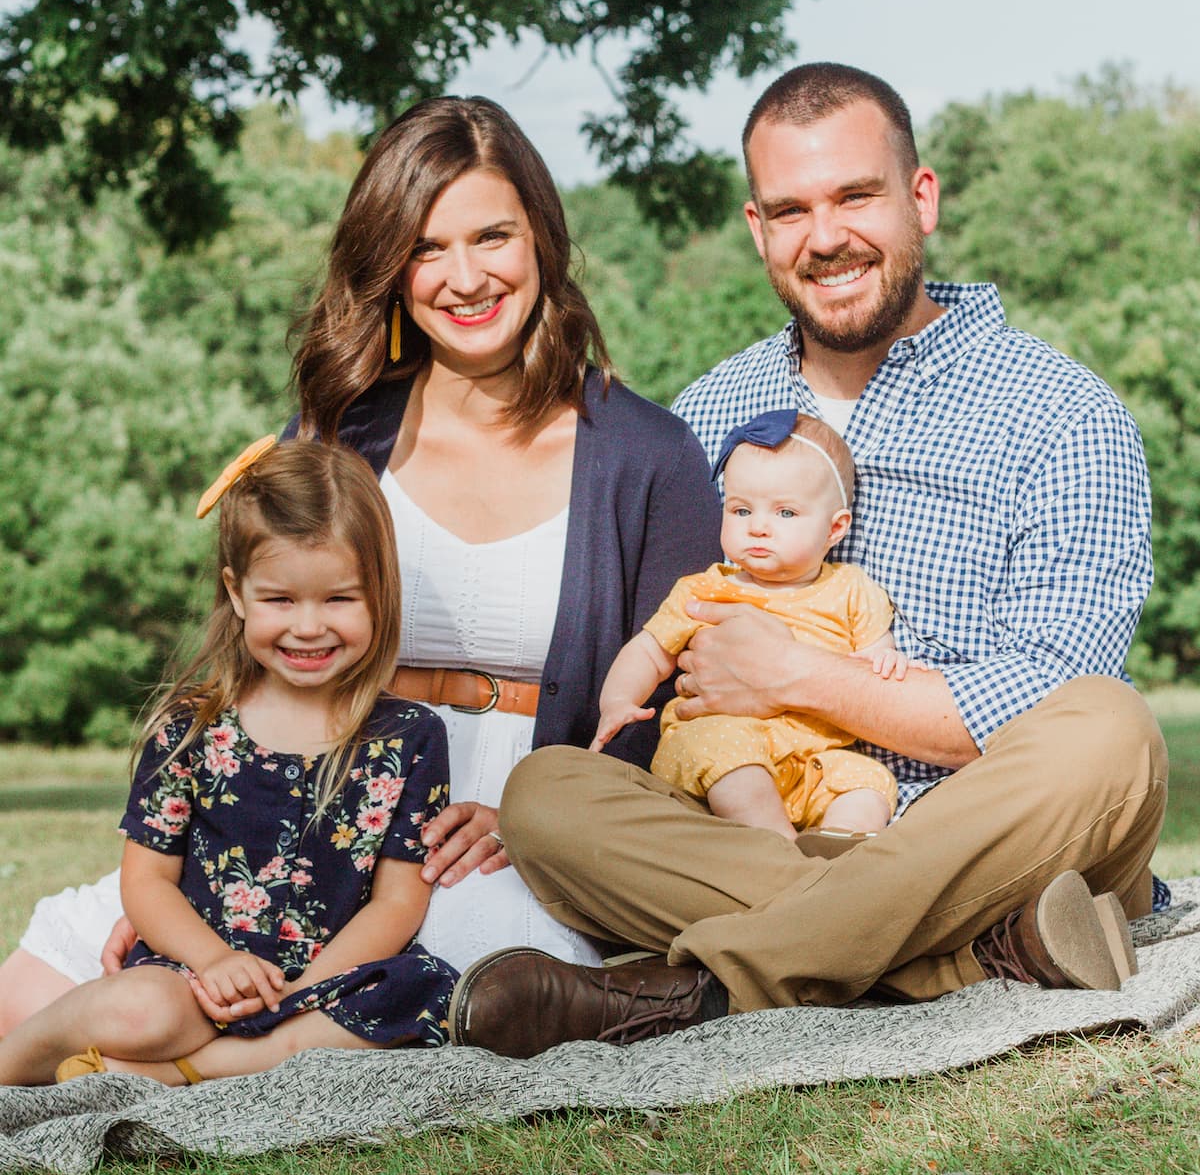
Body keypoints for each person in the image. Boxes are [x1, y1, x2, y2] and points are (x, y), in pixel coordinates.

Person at [446, 62, 1166, 1059]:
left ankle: (699, 991)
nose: (825, 237)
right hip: (757, 832)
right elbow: (651, 659)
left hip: (993, 832)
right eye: (791, 210)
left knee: (1111, 727)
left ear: (922, 199)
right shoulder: (701, 417)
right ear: (757, 228)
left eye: (855, 196)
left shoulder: (1061, 416)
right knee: (547, 796)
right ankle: (966, 953)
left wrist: (803, 678)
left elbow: (1046, 689)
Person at [0, 95, 722, 1034]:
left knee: (447, 971)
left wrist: (538, 818)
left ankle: (170, 1061)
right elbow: (258, 646)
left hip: (508, 843)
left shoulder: (646, 453)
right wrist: (179, 914)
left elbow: (678, 705)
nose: (464, 277)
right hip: (299, 800)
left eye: (492, 236)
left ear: (541, 237)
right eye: (426, 248)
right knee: (59, 955)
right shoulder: (341, 430)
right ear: (390, 265)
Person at [0, 440, 459, 1084]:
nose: (308, 627)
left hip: (331, 981)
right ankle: (11, 1066)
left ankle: (168, 1075)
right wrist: (215, 962)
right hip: (198, 979)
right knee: (140, 1009)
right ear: (237, 593)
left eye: (339, 600)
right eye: (280, 600)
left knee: (425, 1002)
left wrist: (301, 989)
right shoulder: (192, 728)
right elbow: (147, 882)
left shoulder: (410, 736)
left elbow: (396, 903)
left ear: (380, 594)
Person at [592, 410, 901, 840]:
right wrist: (619, 699)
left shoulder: (851, 589)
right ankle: (777, 848)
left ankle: (836, 847)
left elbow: (873, 658)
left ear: (835, 528)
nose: (757, 527)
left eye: (786, 513)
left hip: (814, 757)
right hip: (724, 745)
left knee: (870, 784)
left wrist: (885, 661)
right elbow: (650, 649)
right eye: (740, 509)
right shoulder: (705, 590)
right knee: (728, 755)